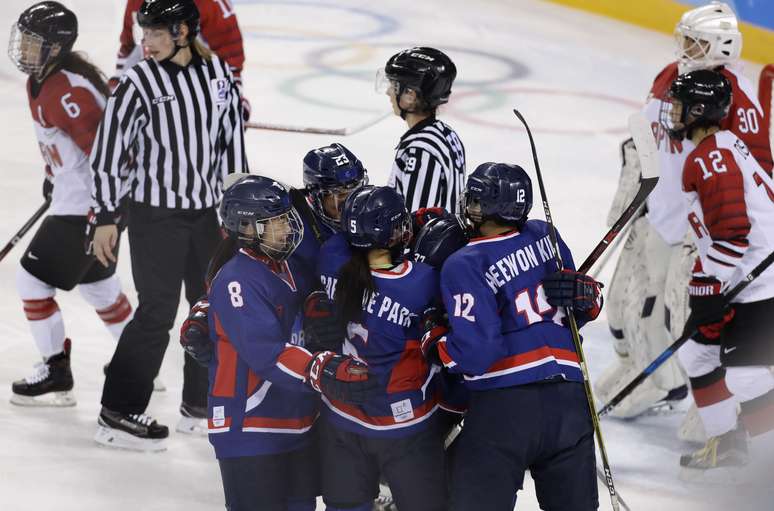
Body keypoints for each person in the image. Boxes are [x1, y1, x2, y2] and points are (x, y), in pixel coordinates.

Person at [597, 2, 773, 431]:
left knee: (689, 319)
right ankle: (656, 377)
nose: (685, 48)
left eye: (696, 41)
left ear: (723, 46)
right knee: (622, 307)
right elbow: (644, 138)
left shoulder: (736, 97)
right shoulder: (668, 76)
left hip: (701, 230)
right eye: (685, 39)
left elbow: (755, 172)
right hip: (658, 214)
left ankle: (716, 402)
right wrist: (631, 196)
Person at [89, 0, 247, 450]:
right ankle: (117, 411)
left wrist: (238, 208)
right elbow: (108, 152)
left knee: (210, 306)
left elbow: (230, 141)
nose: (146, 43)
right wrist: (105, 216)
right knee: (157, 312)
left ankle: (198, 407)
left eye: (156, 34)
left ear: (182, 32)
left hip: (205, 216)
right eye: (144, 33)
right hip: (154, 214)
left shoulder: (217, 75)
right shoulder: (139, 80)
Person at [420, 162, 604, 510]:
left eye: (475, 199)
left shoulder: (465, 261)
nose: (469, 206)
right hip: (570, 401)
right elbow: (577, 309)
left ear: (490, 205)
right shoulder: (545, 235)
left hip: (505, 408)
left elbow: (477, 352)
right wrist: (591, 296)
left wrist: (436, 343)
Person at [202, 175, 376, 511]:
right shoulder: (237, 280)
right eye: (276, 221)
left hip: (295, 421)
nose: (287, 227)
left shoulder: (288, 266)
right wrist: (322, 368)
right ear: (247, 228)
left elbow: (305, 295)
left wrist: (314, 301)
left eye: (286, 218)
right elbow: (265, 352)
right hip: (249, 428)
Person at [8, 1, 133, 406]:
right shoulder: (41, 82)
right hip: (79, 200)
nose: (24, 49)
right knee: (99, 287)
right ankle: (138, 361)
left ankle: (56, 370)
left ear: (56, 47)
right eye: (24, 39)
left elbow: (109, 156)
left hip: (90, 207)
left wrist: (104, 214)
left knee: (30, 280)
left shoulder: (69, 91)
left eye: (34, 42)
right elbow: (63, 148)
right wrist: (53, 177)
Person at [659, 69, 774, 471]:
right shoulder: (719, 147)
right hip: (744, 277)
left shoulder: (712, 159)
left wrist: (707, 285)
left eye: (679, 105)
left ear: (700, 110)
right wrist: (707, 281)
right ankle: (727, 446)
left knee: (748, 377)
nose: (672, 112)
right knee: (697, 356)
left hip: (763, 285)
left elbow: (733, 234)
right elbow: (722, 237)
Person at [314, 186, 447, 511]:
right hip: (402, 425)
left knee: (346, 506)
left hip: (341, 417)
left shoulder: (331, 258)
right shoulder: (423, 281)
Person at [111, 0, 250, 120]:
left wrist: (229, 102)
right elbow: (128, 49)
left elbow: (230, 60)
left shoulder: (210, 5)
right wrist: (115, 93)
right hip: (149, 104)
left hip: (197, 101)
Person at [376, 47, 466, 213]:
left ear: (410, 95)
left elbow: (416, 226)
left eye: (394, 86)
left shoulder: (420, 149)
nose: (389, 92)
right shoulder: (446, 133)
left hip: (435, 239)